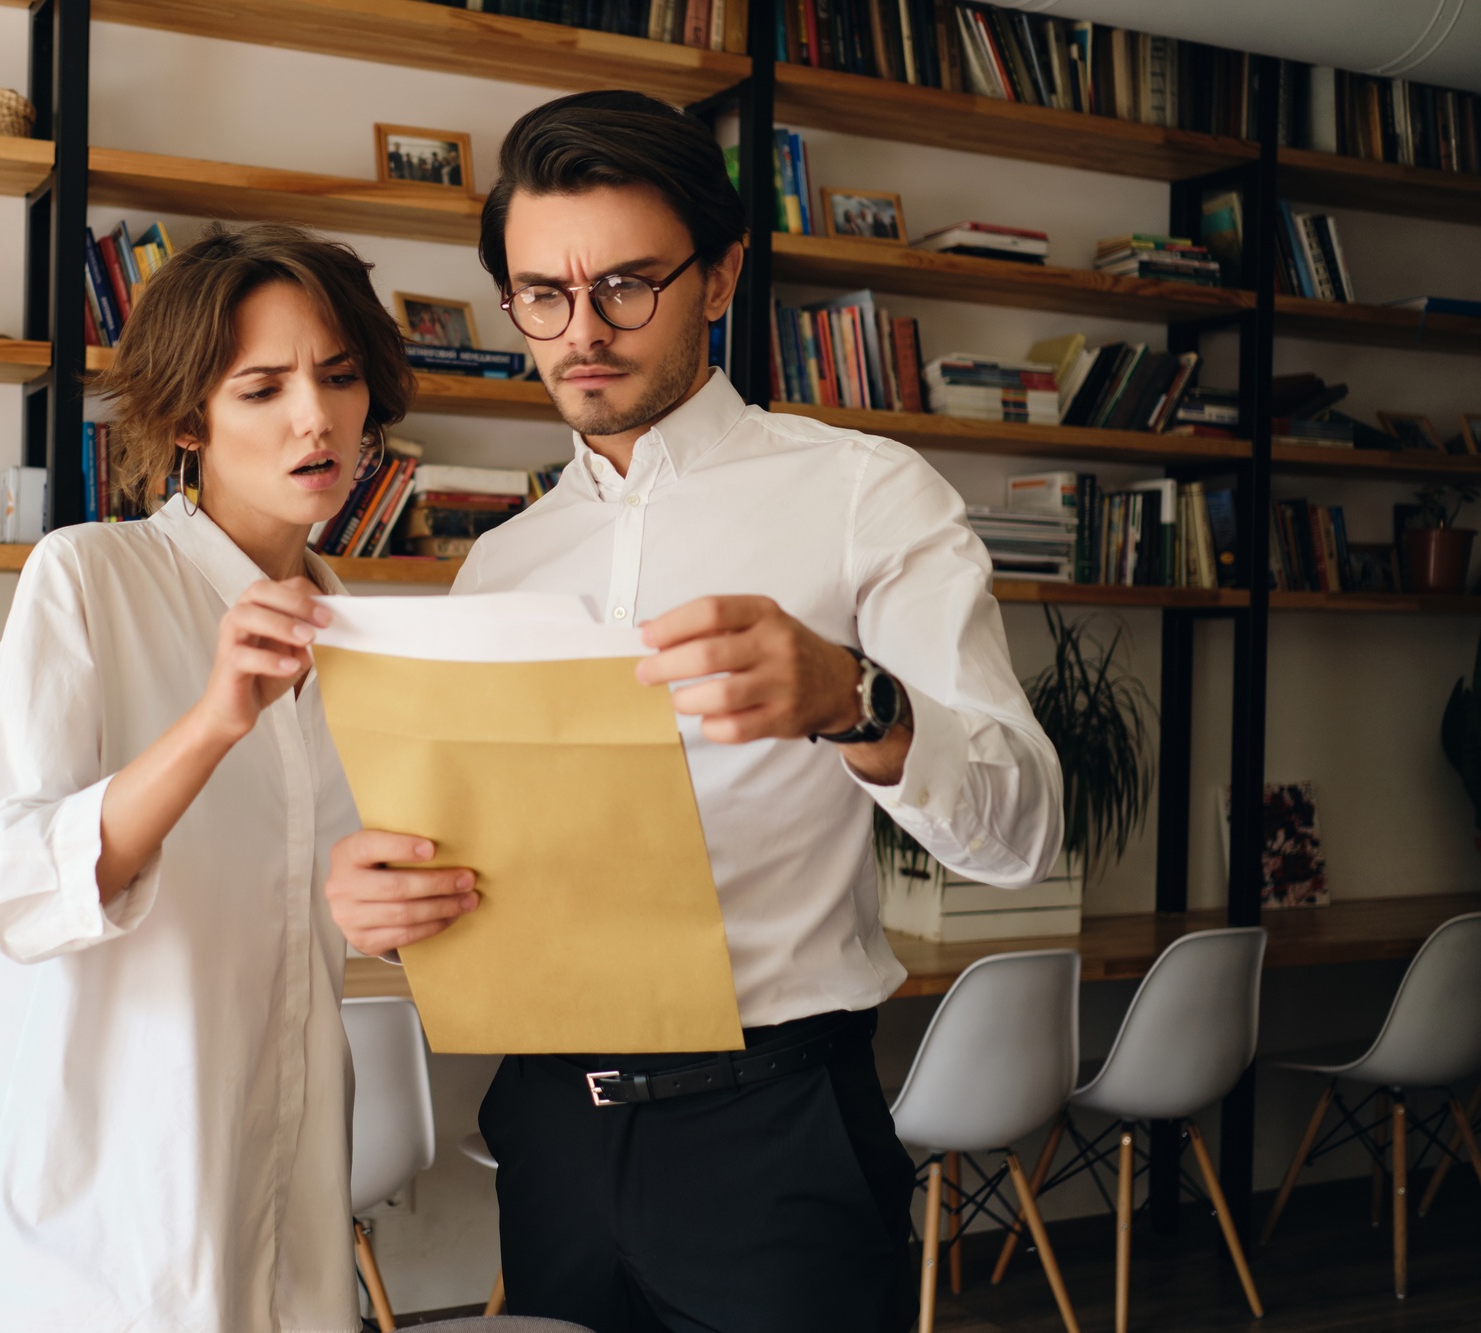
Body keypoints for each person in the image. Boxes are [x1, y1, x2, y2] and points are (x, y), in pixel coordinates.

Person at [324, 91, 1064, 1332]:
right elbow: (477, 864)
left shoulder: (862, 497)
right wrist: (384, 910)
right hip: (547, 1128)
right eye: (541, 297)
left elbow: (1019, 830)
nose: (580, 333)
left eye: (625, 286)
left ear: (718, 277)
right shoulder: (500, 564)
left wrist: (852, 697)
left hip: (771, 1125)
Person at [0, 223, 418, 1332]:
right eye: (261, 387)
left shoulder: (374, 643)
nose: (312, 417)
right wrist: (211, 721)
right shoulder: (87, 576)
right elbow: (16, 888)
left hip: (276, 1183)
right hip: (88, 1213)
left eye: (337, 378)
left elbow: (338, 903)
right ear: (188, 418)